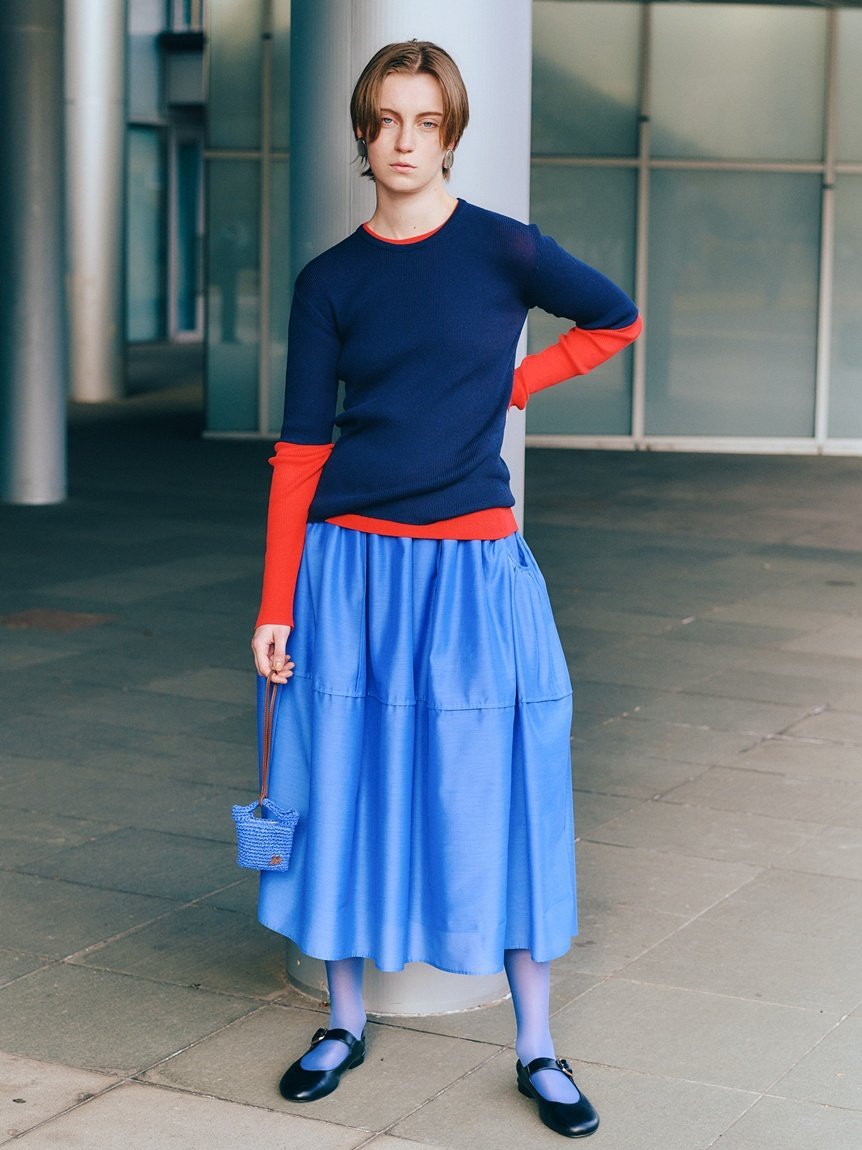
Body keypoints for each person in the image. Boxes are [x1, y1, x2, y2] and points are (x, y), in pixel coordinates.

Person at [250, 40, 641, 1140]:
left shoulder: (505, 249)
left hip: (473, 568)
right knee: (342, 783)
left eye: (426, 121)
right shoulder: (330, 280)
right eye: (386, 120)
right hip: (349, 570)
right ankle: (342, 1022)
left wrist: (513, 383)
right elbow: (299, 452)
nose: (405, 141)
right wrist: (275, 604)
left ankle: (537, 1045)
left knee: (504, 784)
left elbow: (614, 319)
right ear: (362, 133)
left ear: (451, 134)